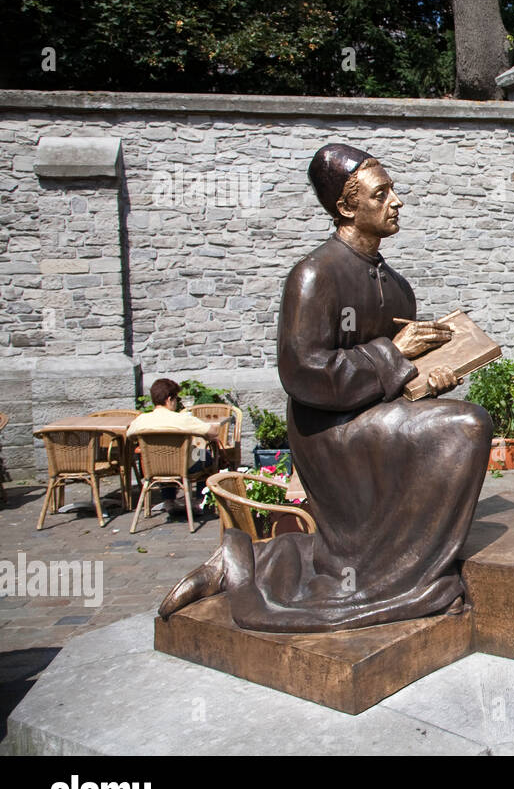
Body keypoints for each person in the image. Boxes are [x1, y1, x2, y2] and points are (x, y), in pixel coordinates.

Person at [159, 143, 492, 631]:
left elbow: (401, 379)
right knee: (467, 425)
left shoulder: (398, 287)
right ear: (346, 206)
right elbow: (303, 372)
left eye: (393, 190)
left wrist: (431, 380)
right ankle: (398, 579)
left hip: (376, 414)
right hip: (328, 428)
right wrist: (395, 354)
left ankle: (393, 569)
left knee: (459, 421)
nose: (396, 201)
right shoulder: (315, 274)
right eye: (382, 194)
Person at [127, 378, 229, 518]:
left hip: (153, 467)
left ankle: (169, 501)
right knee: (204, 455)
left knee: (163, 459)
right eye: (176, 399)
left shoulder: (141, 420)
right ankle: (200, 500)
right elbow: (212, 432)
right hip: (182, 467)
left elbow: (130, 435)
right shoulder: (182, 419)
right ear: (169, 400)